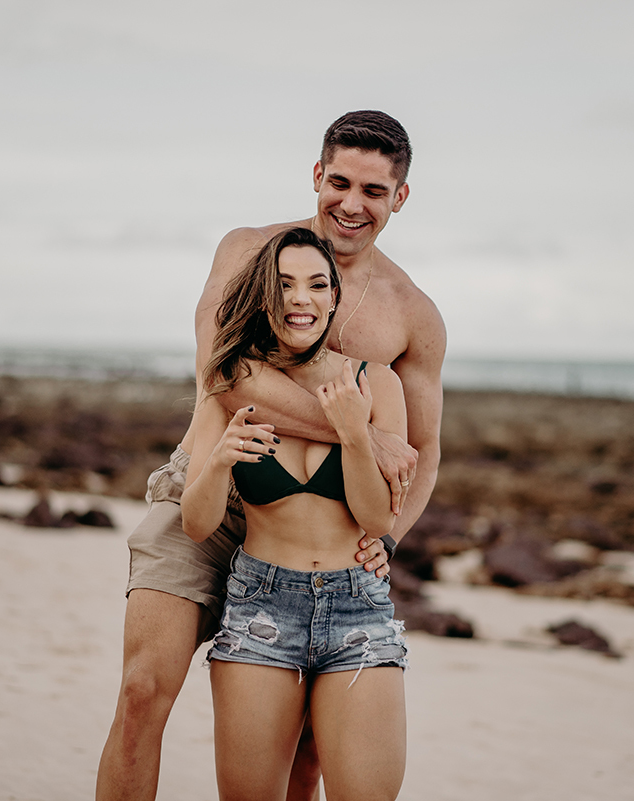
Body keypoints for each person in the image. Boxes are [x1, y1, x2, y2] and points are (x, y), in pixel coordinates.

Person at [97, 110, 446, 801]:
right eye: (339, 182)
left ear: (400, 197)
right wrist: (357, 429)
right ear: (316, 175)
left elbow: (425, 448)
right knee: (141, 690)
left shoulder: (412, 313)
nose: (351, 204)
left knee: (308, 751)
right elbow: (221, 373)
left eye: (374, 191)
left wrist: (387, 540)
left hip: (323, 524)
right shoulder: (247, 253)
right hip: (211, 481)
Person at [184, 226, 408, 801]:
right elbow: (196, 524)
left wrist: (355, 434)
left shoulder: (376, 383)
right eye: (283, 285)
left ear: (334, 297)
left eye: (315, 284)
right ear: (264, 297)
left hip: (358, 608)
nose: (299, 299)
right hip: (261, 606)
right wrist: (221, 459)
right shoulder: (230, 384)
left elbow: (377, 520)